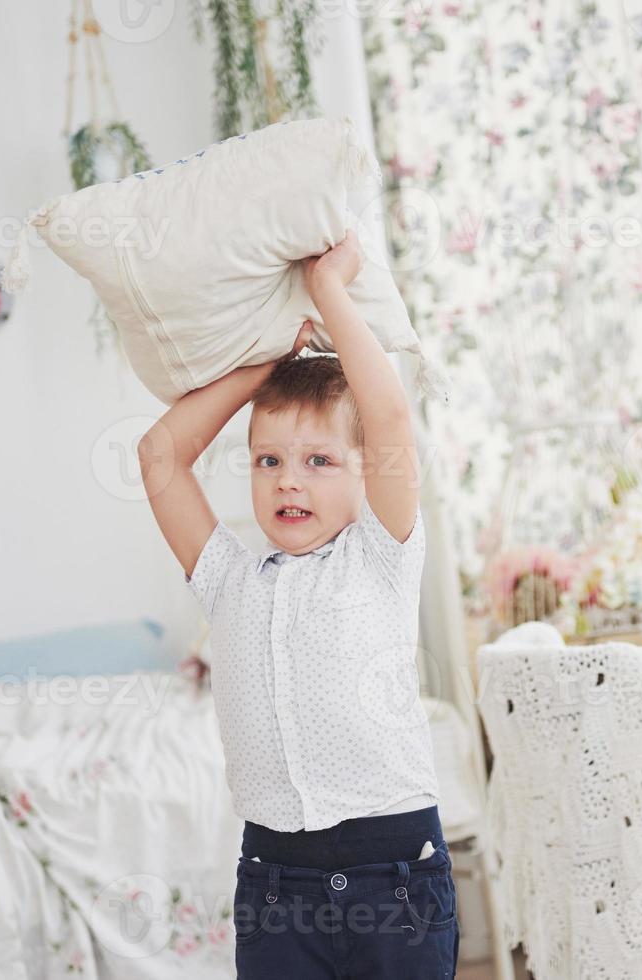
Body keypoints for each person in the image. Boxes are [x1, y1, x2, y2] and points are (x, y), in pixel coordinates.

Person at [137, 228, 458, 978]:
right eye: (268, 461)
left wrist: (329, 295)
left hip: (395, 874)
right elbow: (158, 456)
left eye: (318, 462)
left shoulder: (382, 556)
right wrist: (264, 365)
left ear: (361, 475)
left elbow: (387, 417)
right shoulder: (228, 579)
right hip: (277, 885)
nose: (288, 481)